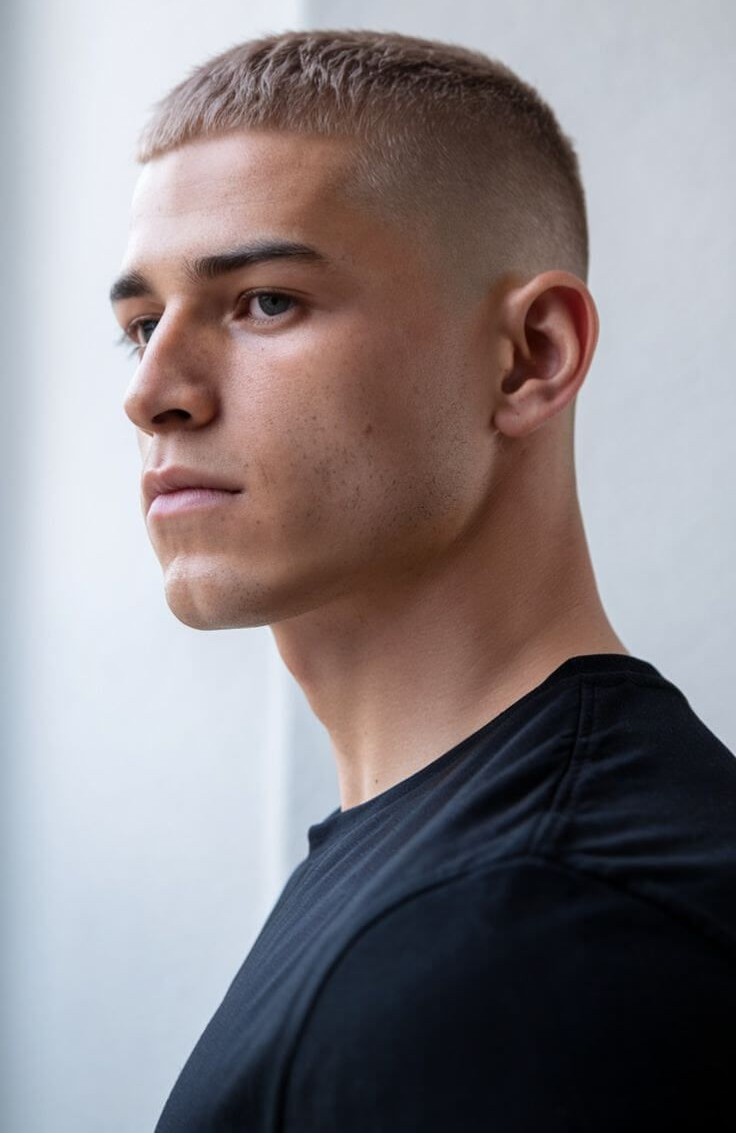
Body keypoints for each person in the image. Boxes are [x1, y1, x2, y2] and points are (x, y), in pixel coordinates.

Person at [109, 29, 736, 1132]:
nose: (153, 391)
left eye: (264, 301)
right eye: (142, 324)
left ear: (530, 356)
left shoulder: (535, 931)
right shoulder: (461, 875)